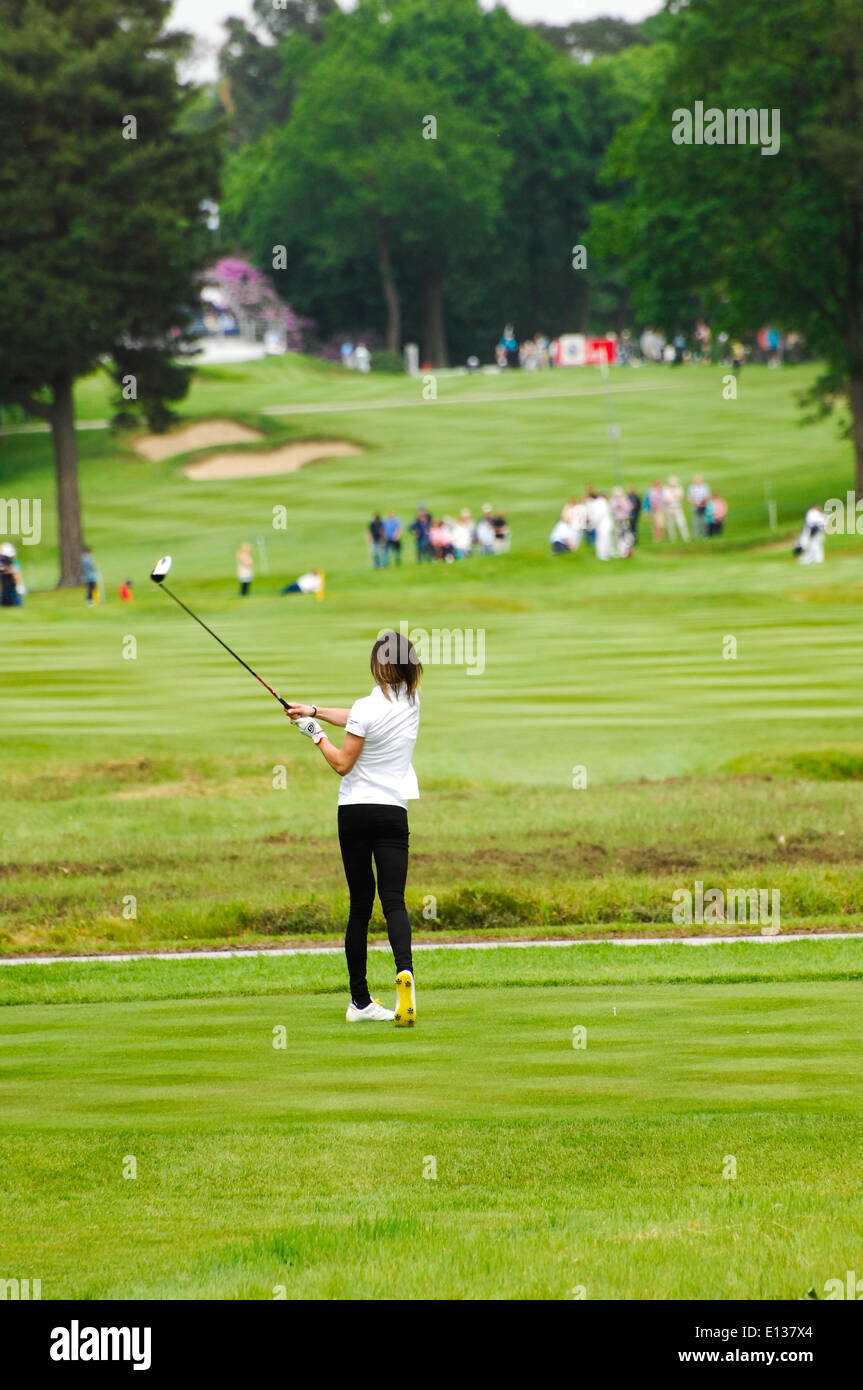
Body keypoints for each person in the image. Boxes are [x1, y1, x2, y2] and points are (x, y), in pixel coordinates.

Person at [287, 632, 421, 1026]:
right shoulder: (412, 701)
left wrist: (315, 734)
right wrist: (314, 708)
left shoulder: (366, 707)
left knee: (360, 906)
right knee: (394, 900)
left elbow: (343, 763)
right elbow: (359, 719)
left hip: (355, 812)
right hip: (392, 813)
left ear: (376, 666)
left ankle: (360, 1001)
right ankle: (405, 971)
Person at [663, 476, 690, 542]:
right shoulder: (665, 489)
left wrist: (673, 496)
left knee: (681, 523)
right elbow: (666, 499)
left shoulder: (679, 488)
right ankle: (672, 539)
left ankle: (686, 538)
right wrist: (673, 498)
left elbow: (679, 497)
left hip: (677, 508)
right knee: (670, 524)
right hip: (669, 508)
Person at [593, 493, 615, 561]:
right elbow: (599, 515)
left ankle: (608, 552)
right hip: (602, 525)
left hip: (604, 525)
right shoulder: (601, 503)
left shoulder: (601, 503)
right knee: (602, 540)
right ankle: (602, 554)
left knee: (608, 539)